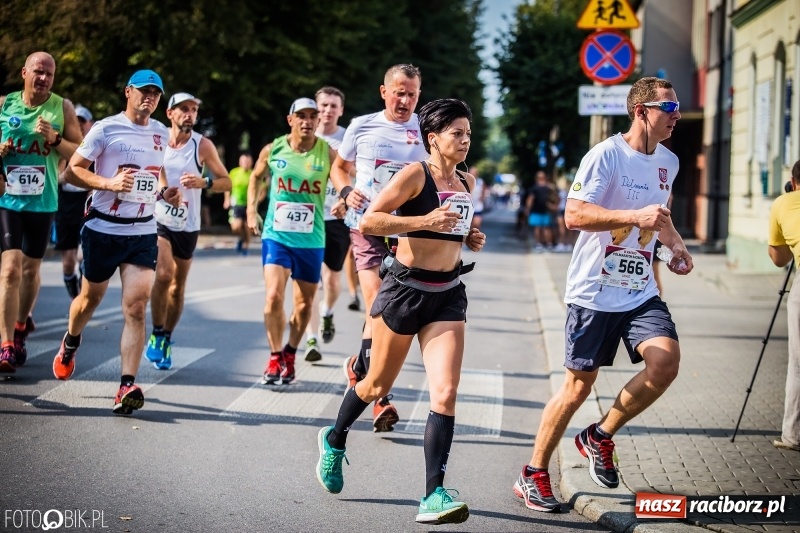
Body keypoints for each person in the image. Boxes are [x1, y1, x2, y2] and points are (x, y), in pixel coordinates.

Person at [514, 77, 692, 512]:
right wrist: (633, 216)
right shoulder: (606, 155)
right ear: (641, 111)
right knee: (578, 387)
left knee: (665, 363)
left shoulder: (669, 161)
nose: (677, 115)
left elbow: (660, 218)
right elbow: (574, 215)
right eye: (669, 108)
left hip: (639, 290)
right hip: (593, 291)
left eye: (677, 107)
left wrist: (676, 246)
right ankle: (533, 473)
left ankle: (600, 435)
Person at [316, 98, 486, 525]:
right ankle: (335, 439)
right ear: (433, 138)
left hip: (447, 294)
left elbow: (455, 228)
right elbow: (370, 221)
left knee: (445, 392)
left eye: (468, 133)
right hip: (405, 291)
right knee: (376, 384)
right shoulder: (414, 175)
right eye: (457, 133)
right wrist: (423, 220)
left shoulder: (466, 181)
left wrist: (470, 236)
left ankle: (433, 495)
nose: (465, 140)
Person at [52, 69, 182, 416]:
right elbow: (72, 171)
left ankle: (127, 385)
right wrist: (109, 184)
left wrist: (165, 193)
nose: (149, 97)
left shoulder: (161, 132)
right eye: (144, 91)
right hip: (102, 228)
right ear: (128, 92)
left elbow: (155, 173)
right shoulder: (105, 128)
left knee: (136, 307)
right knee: (89, 300)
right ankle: (71, 341)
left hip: (142, 230)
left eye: (155, 93)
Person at [330, 64, 429, 431]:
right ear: (384, 92)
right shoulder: (362, 126)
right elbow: (339, 168)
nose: (405, 101)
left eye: (412, 94)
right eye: (399, 93)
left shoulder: (426, 129)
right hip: (367, 225)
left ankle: (359, 368)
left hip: (406, 230)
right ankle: (381, 397)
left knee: (389, 310)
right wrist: (346, 191)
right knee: (377, 303)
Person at [0, 51, 82, 372]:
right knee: (10, 270)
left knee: (31, 271)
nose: (44, 78)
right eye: (38, 71)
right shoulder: (5, 105)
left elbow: (80, 152)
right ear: (24, 73)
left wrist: (55, 139)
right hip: (8, 199)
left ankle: (21, 326)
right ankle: (6, 345)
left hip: (43, 200)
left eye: (49, 73)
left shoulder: (63, 108)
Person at [246, 97, 337, 385]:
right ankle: (275, 357)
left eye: (312, 116)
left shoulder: (326, 152)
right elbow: (256, 177)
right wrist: (251, 210)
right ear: (291, 120)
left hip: (311, 239)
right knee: (273, 296)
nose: (307, 121)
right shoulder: (274, 149)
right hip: (277, 235)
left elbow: (345, 176)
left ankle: (290, 352)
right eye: (301, 116)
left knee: (303, 305)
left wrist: (345, 197)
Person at [144, 92, 231, 370]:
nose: (190, 114)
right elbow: (152, 171)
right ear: (170, 113)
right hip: (159, 219)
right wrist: (162, 190)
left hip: (187, 224)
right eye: (184, 109)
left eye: (193, 110)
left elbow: (226, 181)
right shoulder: (156, 139)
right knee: (164, 274)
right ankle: (156, 333)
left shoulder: (202, 145)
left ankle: (167, 338)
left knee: (178, 285)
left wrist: (204, 182)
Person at [302, 86, 350, 362]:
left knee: (332, 280)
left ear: (341, 110)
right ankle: (311, 338)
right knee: (308, 280)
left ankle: (327, 312)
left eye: (333, 106)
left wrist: (345, 199)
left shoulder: (348, 138)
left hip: (337, 218)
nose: (327, 110)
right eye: (323, 105)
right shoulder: (304, 135)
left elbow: (358, 176)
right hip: (308, 218)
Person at [767, 160, 800, 452]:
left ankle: (794, 435)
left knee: (798, 363)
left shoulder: (784, 202)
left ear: (794, 181)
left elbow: (779, 258)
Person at [54, 104, 94, 299]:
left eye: (82, 122)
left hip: (86, 203)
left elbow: (98, 178)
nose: (78, 126)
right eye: (75, 122)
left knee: (82, 256)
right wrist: (68, 171)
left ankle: (82, 300)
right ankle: (75, 299)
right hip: (65, 205)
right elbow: (57, 177)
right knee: (68, 262)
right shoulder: (63, 146)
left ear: (90, 124)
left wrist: (91, 190)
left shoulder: (95, 145)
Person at [224, 152, 254, 255]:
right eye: (244, 161)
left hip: (249, 204)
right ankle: (242, 238)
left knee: (247, 226)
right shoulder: (234, 172)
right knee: (236, 226)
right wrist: (227, 199)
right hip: (236, 203)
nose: (246, 163)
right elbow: (228, 186)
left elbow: (262, 189)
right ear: (240, 162)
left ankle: (246, 246)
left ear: (251, 162)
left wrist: (257, 201)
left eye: (248, 161)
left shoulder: (253, 174)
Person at [525, 171, 556, 251]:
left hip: (536, 211)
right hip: (546, 210)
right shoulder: (549, 188)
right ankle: (549, 244)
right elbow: (554, 198)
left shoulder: (534, 188)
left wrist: (527, 209)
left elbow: (530, 199)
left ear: (536, 178)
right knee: (547, 228)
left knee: (537, 228)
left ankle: (538, 244)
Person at [469, 165, 487, 231]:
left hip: (478, 206)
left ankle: (475, 236)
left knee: (477, 224)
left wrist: (482, 197)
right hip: (469, 206)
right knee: (469, 226)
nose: (473, 174)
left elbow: (484, 191)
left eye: (475, 172)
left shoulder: (480, 181)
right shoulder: (466, 180)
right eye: (472, 172)